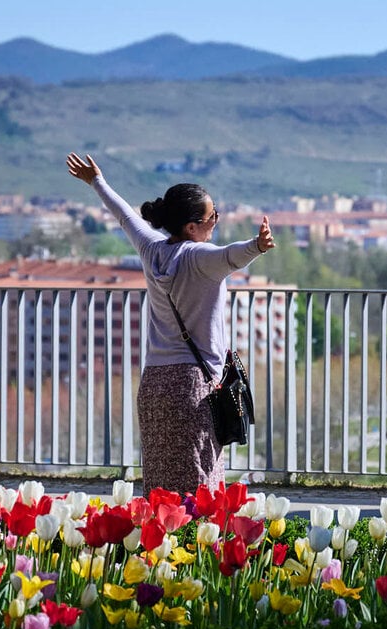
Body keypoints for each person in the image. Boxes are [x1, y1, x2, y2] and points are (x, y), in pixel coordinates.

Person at [65, 153, 274, 493]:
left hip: (155, 385)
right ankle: (197, 545)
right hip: (193, 387)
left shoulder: (151, 250)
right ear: (191, 226)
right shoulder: (199, 257)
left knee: (160, 487)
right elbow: (231, 255)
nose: (217, 220)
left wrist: (97, 181)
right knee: (199, 483)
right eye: (212, 216)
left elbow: (125, 216)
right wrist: (258, 245)